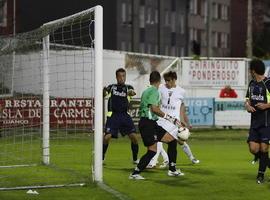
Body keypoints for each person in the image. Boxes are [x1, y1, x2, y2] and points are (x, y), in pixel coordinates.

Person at [129, 71, 184, 180]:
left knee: (172, 141)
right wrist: (170, 118)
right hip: (148, 123)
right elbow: (154, 108)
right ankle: (135, 173)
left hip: (151, 123)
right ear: (159, 81)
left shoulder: (146, 91)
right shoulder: (154, 91)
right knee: (152, 151)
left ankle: (172, 169)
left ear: (150, 80)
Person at [147, 71, 199, 168]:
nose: (167, 83)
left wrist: (185, 121)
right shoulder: (161, 88)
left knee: (180, 141)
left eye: (169, 80)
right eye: (165, 80)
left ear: (174, 80)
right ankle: (153, 162)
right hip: (161, 120)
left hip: (174, 121)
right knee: (157, 140)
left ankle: (192, 158)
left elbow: (182, 106)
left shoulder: (182, 91)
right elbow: (154, 96)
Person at [103, 68, 139, 164]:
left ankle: (135, 159)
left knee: (134, 138)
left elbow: (132, 92)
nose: (122, 78)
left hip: (124, 116)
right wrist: (103, 91)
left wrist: (131, 93)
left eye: (123, 76)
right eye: (120, 76)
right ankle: (101, 157)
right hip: (113, 115)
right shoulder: (112, 87)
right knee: (106, 138)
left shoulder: (128, 87)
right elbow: (104, 94)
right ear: (116, 77)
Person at [245, 59, 270, 184]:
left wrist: (266, 106)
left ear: (253, 70)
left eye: (250, 69)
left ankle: (260, 175)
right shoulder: (252, 83)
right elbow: (247, 99)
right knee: (254, 149)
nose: (250, 72)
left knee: (264, 148)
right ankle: (267, 162)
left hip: (267, 123)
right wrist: (247, 106)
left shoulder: (268, 83)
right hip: (254, 122)